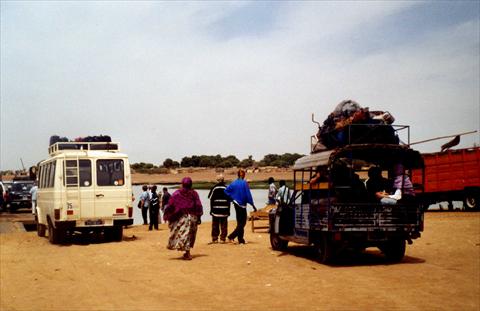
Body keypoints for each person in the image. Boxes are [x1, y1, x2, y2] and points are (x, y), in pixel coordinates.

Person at [164, 177, 203, 260]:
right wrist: (199, 216)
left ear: (182, 184)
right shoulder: (194, 193)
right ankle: (187, 252)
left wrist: (167, 215)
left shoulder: (177, 193)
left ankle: (187, 252)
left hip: (182, 218)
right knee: (188, 235)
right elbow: (198, 205)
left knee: (183, 234)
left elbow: (170, 205)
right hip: (192, 217)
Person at [224, 169, 257, 244]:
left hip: (236, 203)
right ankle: (231, 236)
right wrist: (253, 205)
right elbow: (248, 195)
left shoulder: (234, 183)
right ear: (243, 175)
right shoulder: (244, 183)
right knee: (243, 223)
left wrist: (232, 198)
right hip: (242, 205)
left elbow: (226, 191)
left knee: (239, 223)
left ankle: (241, 239)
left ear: (238, 175)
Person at [207, 175, 230, 243]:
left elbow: (211, 198)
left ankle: (215, 238)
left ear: (217, 180)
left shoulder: (214, 188)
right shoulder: (226, 188)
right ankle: (223, 238)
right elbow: (229, 200)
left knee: (215, 224)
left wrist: (211, 210)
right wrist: (228, 210)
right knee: (224, 225)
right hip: (225, 209)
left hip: (215, 209)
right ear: (223, 180)